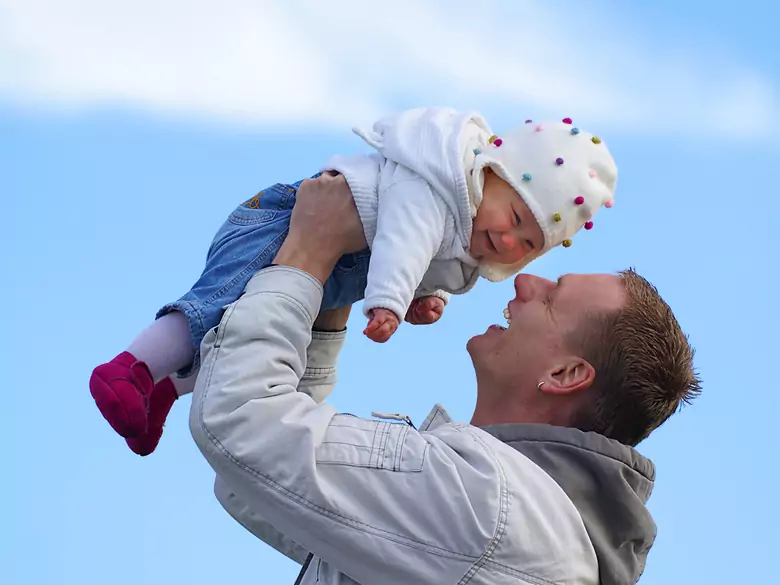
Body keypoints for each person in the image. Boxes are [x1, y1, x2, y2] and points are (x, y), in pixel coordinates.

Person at [189, 173, 700, 585]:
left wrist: (309, 253)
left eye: (551, 299)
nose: (525, 279)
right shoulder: (528, 528)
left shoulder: (494, 506)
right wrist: (336, 294)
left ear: (565, 374)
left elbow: (241, 421)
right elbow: (255, 486)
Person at [89, 107, 617, 456]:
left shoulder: (468, 227)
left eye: (528, 243)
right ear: (490, 174)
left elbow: (425, 259)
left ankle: (163, 390)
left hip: (329, 265)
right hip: (286, 223)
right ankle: (129, 367)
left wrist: (423, 297)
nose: (507, 239)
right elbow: (407, 239)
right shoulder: (435, 188)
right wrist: (390, 298)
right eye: (514, 218)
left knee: (243, 337)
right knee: (220, 305)